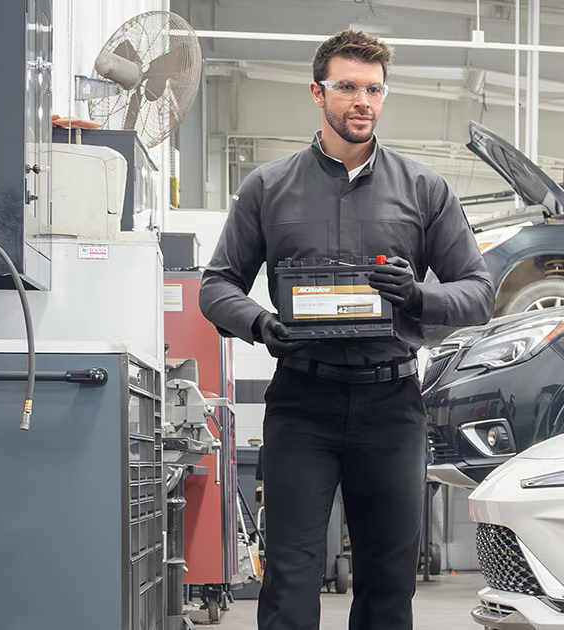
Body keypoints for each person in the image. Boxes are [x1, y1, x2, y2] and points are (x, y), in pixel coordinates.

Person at [198, 29, 493, 630]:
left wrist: (418, 296)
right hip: (303, 401)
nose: (362, 101)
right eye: (348, 88)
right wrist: (260, 325)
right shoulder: (267, 188)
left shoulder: (424, 190)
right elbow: (216, 285)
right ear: (318, 92)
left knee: (388, 577)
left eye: (374, 90)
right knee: (291, 572)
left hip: (391, 404)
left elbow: (480, 292)